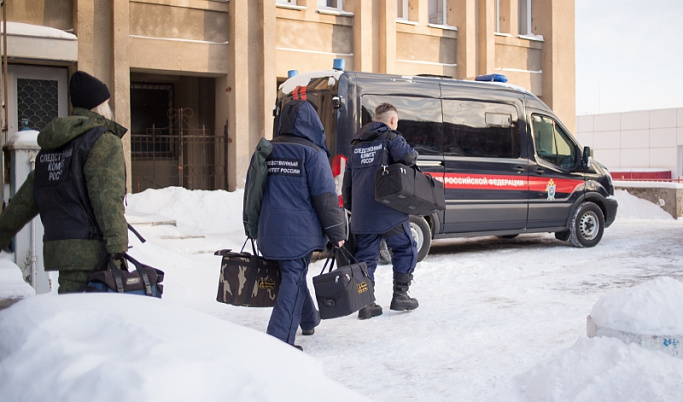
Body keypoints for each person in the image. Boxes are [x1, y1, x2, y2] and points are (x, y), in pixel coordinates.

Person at [0, 71, 129, 293]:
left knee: (72, 312)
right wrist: (118, 252)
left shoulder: (53, 145)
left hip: (60, 249)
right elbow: (107, 201)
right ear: (99, 106)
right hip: (93, 252)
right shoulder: (102, 141)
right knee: (90, 320)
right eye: (107, 103)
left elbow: (25, 200)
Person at [254, 99, 346, 350]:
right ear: (313, 122)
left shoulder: (266, 149)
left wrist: (252, 227)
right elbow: (326, 200)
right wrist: (337, 233)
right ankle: (280, 342)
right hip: (299, 234)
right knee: (293, 277)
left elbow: (253, 193)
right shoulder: (313, 153)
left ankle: (308, 319)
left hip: (270, 230)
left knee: (292, 275)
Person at [342, 102, 419, 319]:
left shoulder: (356, 144)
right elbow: (410, 157)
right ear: (392, 120)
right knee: (405, 247)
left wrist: (351, 208)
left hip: (363, 213)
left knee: (365, 257)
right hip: (389, 211)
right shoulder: (392, 139)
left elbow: (347, 181)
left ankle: (366, 303)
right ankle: (400, 296)